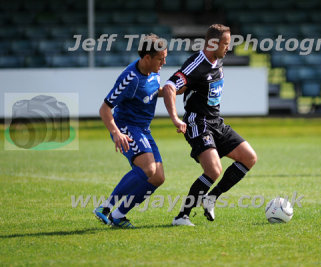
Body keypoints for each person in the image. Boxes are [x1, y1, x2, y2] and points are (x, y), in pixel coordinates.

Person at [163, 24, 257, 226]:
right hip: (198, 122)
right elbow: (171, 87)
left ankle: (211, 198)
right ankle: (182, 216)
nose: (228, 48)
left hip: (216, 122)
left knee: (249, 157)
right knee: (214, 170)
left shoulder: (218, 61)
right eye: (225, 43)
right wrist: (175, 118)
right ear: (212, 43)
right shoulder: (196, 63)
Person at [93, 34, 168, 228]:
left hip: (143, 129)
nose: (164, 62)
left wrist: (170, 90)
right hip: (126, 127)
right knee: (147, 168)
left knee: (158, 177)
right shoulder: (129, 78)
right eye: (160, 59)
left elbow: (151, 91)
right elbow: (104, 108)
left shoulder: (154, 71)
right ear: (147, 58)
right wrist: (117, 132)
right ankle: (105, 207)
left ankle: (118, 215)